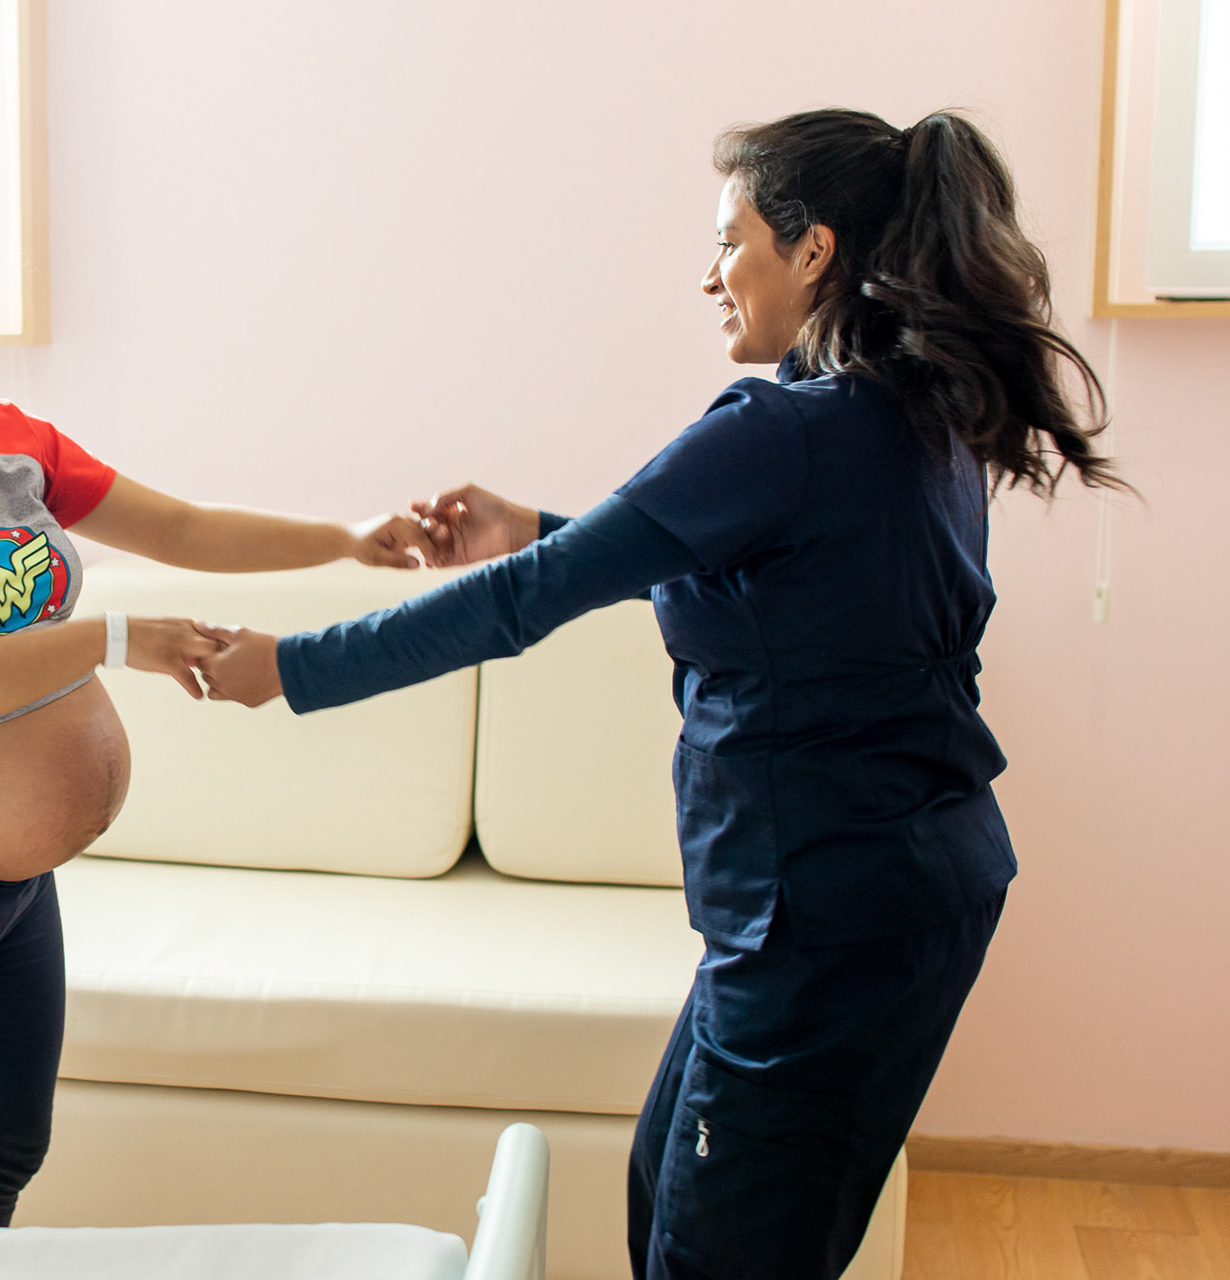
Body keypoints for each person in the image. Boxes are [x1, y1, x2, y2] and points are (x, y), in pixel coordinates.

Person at [196, 108, 1127, 1280]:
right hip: (910, 890)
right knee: (677, 1195)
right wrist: (530, 522)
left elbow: (526, 601)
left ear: (814, 251)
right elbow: (764, 579)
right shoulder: (911, 409)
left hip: (822, 908)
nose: (708, 274)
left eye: (730, 239)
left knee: (714, 1248)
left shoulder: (780, 427)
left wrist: (288, 667)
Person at [0, 155, 431, 1230]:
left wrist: (347, 539)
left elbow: (187, 529)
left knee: (10, 1151)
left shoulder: (14, 446)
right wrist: (110, 637)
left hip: (12, 882)